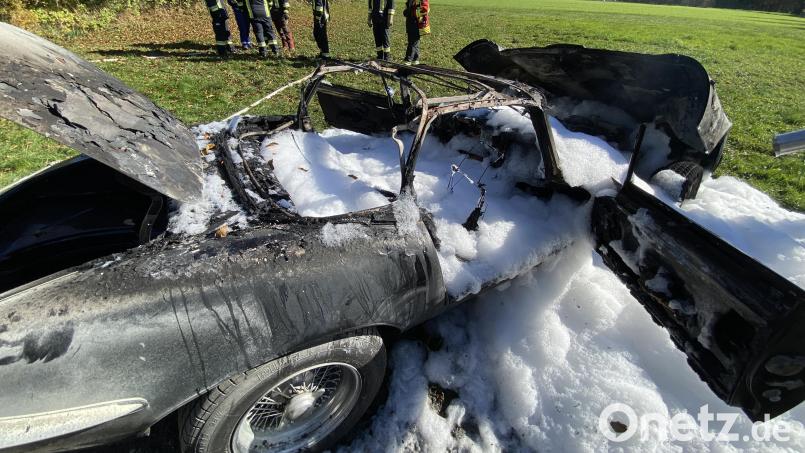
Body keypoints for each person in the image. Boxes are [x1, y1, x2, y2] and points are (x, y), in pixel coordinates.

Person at [403, 0, 430, 65]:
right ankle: (416, 59)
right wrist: (406, 11)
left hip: (417, 23)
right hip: (410, 22)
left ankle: (408, 59)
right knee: (414, 42)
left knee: (413, 42)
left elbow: (425, 10)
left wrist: (410, 11)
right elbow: (407, 9)